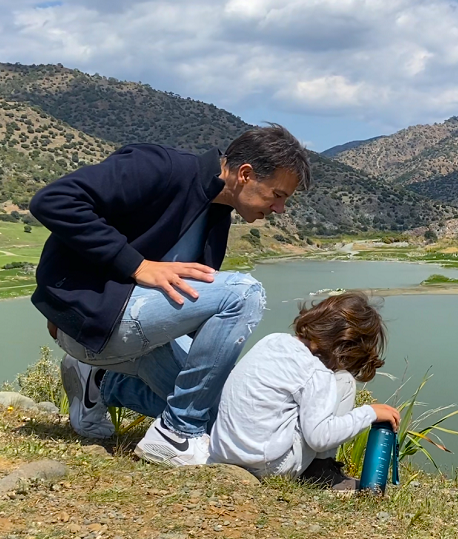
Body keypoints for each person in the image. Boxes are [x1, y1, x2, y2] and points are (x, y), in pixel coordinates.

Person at [29, 124, 310, 466]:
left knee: (227, 417)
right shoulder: (160, 167)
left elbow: (189, 308)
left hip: (138, 337)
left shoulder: (217, 218)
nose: (280, 208)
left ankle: (100, 382)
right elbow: (53, 201)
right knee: (244, 293)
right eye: (278, 195)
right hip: (91, 324)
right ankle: (176, 433)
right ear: (246, 174)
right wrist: (136, 266)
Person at [209, 292, 401, 490]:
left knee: (338, 381)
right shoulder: (315, 372)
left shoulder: (272, 341)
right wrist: (369, 413)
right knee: (345, 381)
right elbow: (320, 437)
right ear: (347, 346)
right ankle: (320, 472)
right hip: (266, 466)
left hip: (225, 453)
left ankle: (318, 469)